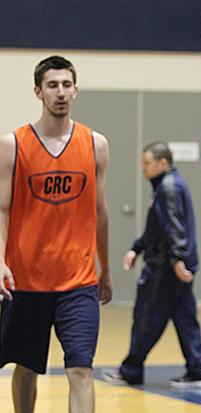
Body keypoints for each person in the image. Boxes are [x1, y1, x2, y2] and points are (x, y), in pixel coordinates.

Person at [0, 55, 112, 413]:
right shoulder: (12, 145)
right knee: (27, 367)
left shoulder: (95, 144)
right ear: (38, 91)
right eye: (52, 85)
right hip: (26, 279)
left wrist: (105, 269)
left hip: (78, 281)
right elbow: (1, 210)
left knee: (81, 368)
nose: (60, 92)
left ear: (76, 90)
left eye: (66, 84)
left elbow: (100, 211)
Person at [102, 142, 201, 389]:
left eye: (147, 164)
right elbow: (157, 228)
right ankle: (198, 371)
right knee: (185, 319)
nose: (143, 169)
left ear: (162, 163)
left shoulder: (168, 188)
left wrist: (176, 259)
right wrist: (137, 248)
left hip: (164, 267)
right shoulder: (169, 185)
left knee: (146, 316)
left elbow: (173, 226)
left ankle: (131, 370)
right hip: (174, 264)